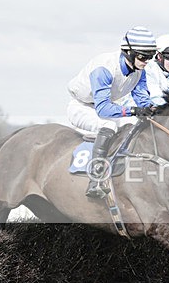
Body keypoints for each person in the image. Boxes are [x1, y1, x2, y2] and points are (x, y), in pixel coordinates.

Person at [66, 26, 158, 198]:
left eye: (150, 57)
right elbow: (103, 109)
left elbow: (143, 100)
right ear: (128, 52)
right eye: (143, 56)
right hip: (82, 107)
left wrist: (155, 110)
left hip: (106, 106)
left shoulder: (140, 72)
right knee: (108, 125)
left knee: (133, 125)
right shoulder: (104, 68)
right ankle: (96, 180)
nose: (146, 61)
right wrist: (133, 110)